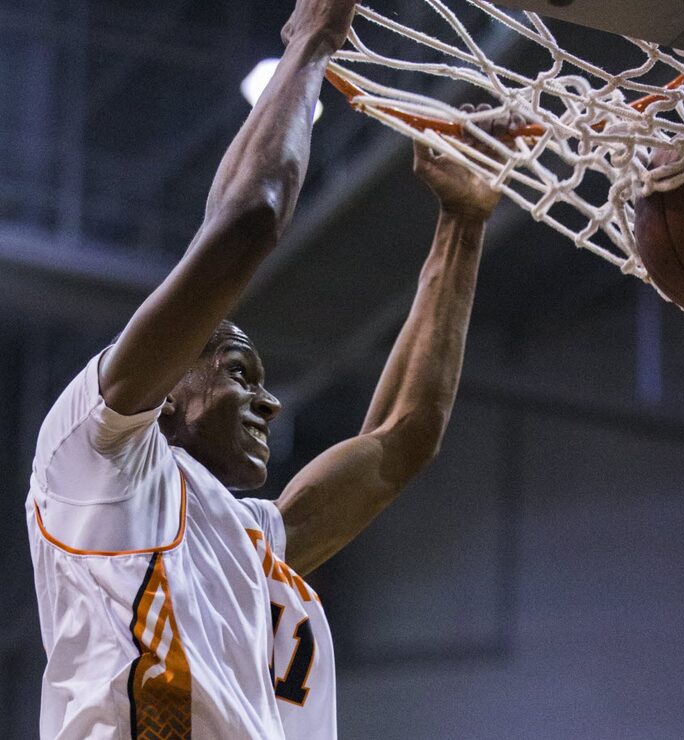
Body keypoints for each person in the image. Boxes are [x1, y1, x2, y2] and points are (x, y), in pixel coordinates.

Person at [25, 1, 508, 737]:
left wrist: (464, 221)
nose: (272, 403)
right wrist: (311, 43)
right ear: (166, 393)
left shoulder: (251, 542)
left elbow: (401, 438)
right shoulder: (91, 457)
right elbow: (249, 218)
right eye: (239, 372)